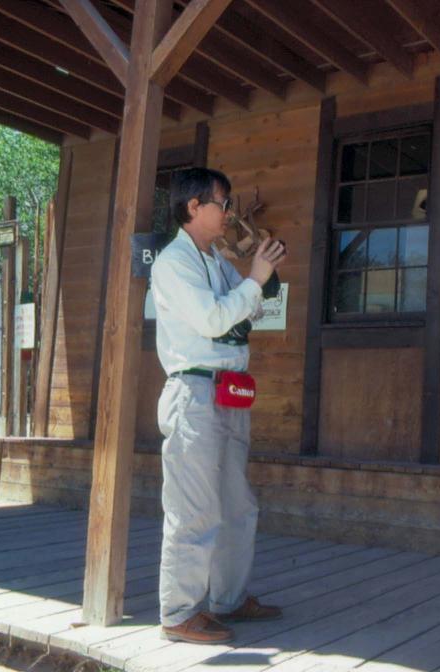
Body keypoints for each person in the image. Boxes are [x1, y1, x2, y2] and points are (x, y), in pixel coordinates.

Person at [151, 167, 286, 644]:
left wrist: (259, 276)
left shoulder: (216, 261)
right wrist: (254, 281)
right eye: (223, 203)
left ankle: (228, 600)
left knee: (236, 503)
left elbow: (250, 308)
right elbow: (214, 319)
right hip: (194, 392)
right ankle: (180, 613)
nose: (228, 212)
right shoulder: (172, 263)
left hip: (229, 390)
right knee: (193, 508)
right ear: (194, 207)